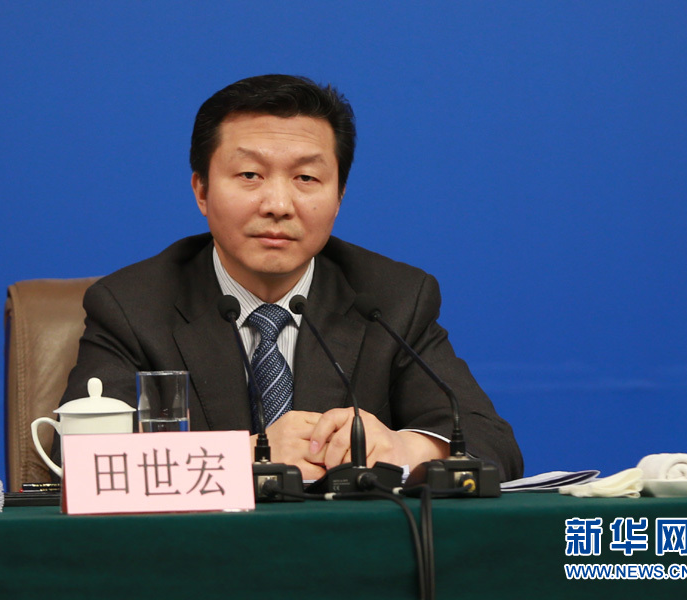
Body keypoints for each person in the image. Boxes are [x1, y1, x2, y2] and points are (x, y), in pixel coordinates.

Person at [56, 74, 523, 481]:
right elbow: (82, 462)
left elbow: (492, 443)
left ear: (339, 197)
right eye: (250, 174)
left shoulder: (391, 299)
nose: (278, 205)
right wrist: (248, 456)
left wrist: (406, 449)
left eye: (306, 179)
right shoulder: (131, 306)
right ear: (201, 190)